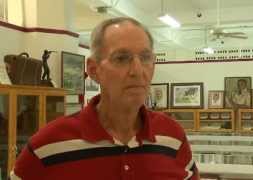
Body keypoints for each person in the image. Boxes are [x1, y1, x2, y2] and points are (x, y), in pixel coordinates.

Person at [11, 17, 199, 180]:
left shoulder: (172, 136)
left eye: (145, 57)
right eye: (121, 58)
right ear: (93, 70)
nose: (137, 71)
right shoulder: (49, 145)